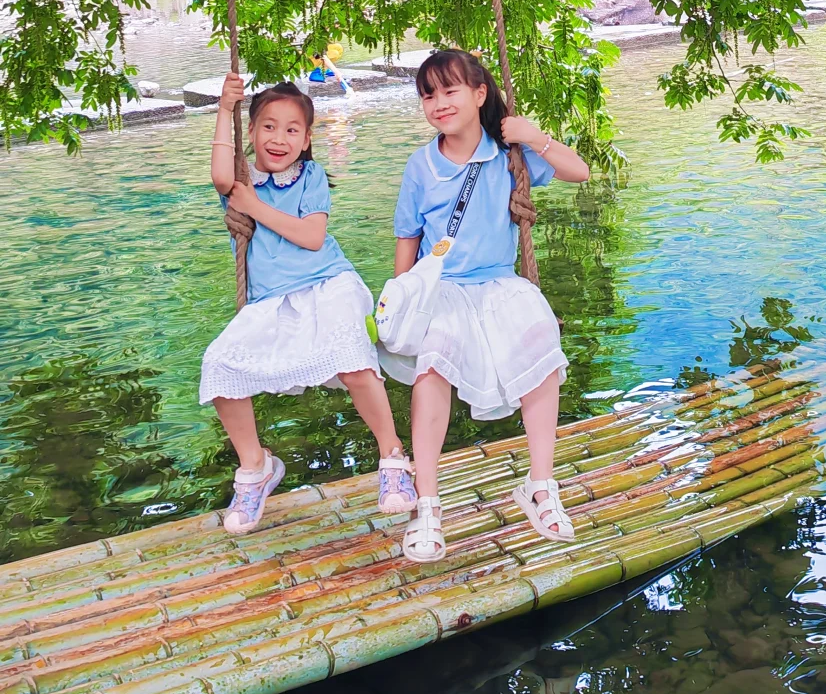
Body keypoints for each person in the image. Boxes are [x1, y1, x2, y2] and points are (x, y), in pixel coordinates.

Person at [382, 49, 590, 562]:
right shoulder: (420, 165)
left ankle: (540, 486)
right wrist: (400, 297)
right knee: (432, 371)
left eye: (450, 90)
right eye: (428, 94)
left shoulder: (509, 154)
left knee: (542, 349)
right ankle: (427, 506)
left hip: (499, 283)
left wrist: (534, 137)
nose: (438, 103)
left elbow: (578, 172)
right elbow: (408, 239)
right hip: (443, 288)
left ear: (479, 95)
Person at [201, 75, 417, 534]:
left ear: (306, 139)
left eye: (292, 129)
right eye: (268, 127)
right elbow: (222, 174)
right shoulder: (240, 180)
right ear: (253, 132)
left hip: (327, 285)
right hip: (271, 300)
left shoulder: (311, 176)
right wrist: (225, 109)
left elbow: (312, 237)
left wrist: (254, 207)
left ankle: (393, 456)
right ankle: (256, 467)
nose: (279, 138)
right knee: (220, 367)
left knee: (353, 359)